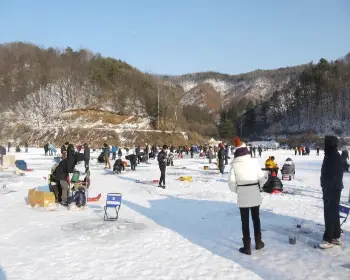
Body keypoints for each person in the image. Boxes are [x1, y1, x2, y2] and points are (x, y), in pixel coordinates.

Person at [228, 136, 265, 255]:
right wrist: (260, 187)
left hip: (243, 194)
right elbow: (262, 178)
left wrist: (238, 190)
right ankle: (259, 242)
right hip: (254, 191)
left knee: (245, 221)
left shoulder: (234, 165)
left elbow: (231, 183)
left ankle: (247, 247)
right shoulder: (254, 162)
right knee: (256, 218)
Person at [319, 136, 344, 249]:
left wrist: (327, 185)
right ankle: (336, 236)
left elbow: (334, 174)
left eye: (326, 143)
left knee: (329, 213)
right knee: (333, 213)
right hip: (331, 188)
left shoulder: (333, 156)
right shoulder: (331, 155)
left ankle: (328, 238)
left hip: (332, 189)